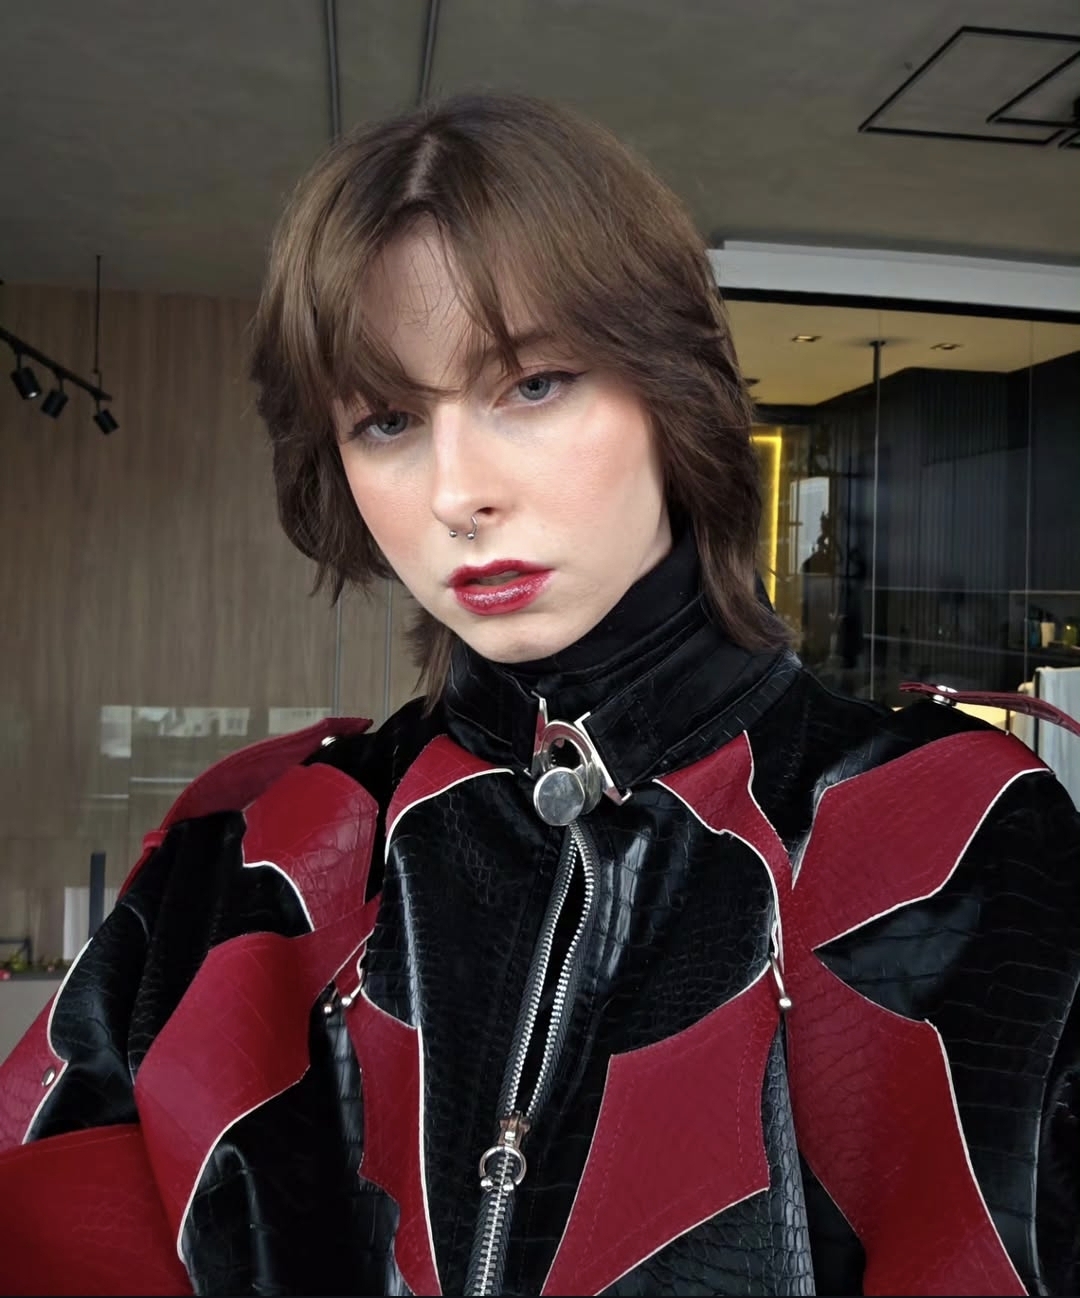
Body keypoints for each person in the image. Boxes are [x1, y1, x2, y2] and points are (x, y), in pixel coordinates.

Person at [0, 93, 1077, 1298]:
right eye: (388, 419)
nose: (457, 492)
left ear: (671, 386)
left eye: (532, 384)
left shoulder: (955, 844)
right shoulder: (247, 860)